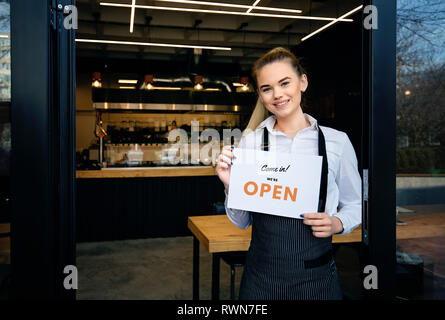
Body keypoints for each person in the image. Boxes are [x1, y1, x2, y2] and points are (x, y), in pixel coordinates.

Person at [216, 47, 362, 300]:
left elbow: (356, 204)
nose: (278, 94)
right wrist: (231, 186)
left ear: (302, 82)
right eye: (267, 88)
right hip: (260, 280)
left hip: (317, 279)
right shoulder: (250, 144)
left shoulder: (336, 142)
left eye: (285, 83)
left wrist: (338, 223)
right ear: (261, 95)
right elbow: (241, 222)